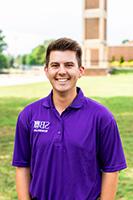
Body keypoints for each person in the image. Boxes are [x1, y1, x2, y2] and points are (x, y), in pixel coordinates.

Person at [12, 37, 127, 200]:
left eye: (69, 65)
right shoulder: (28, 115)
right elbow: (22, 166)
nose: (61, 71)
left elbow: (111, 169)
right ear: (46, 71)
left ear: (81, 70)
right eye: (55, 65)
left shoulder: (102, 117)